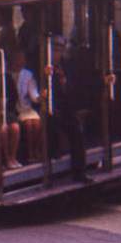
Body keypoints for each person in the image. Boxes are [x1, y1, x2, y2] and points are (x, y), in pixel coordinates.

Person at [49, 45, 90, 183]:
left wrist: (65, 83)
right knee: (52, 123)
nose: (57, 54)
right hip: (48, 107)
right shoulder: (43, 67)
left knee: (77, 131)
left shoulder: (66, 66)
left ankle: (80, 172)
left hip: (65, 108)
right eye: (54, 50)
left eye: (59, 50)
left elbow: (73, 88)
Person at [14, 50, 43, 164]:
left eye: (23, 59)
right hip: (16, 106)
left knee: (38, 123)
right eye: (18, 59)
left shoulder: (28, 74)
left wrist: (39, 97)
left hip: (26, 106)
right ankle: (30, 153)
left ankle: (36, 151)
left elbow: (33, 93)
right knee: (29, 125)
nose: (21, 61)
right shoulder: (8, 73)